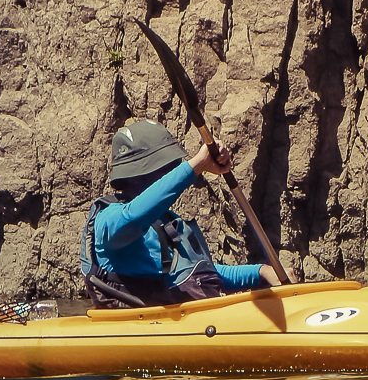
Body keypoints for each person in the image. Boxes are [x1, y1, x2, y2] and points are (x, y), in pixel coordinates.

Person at [79, 119, 284, 308]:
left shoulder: (166, 222)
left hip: (194, 321)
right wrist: (196, 166)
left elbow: (200, 274)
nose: (174, 170)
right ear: (143, 172)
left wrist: (260, 272)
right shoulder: (108, 220)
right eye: (168, 167)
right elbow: (133, 217)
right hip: (147, 328)